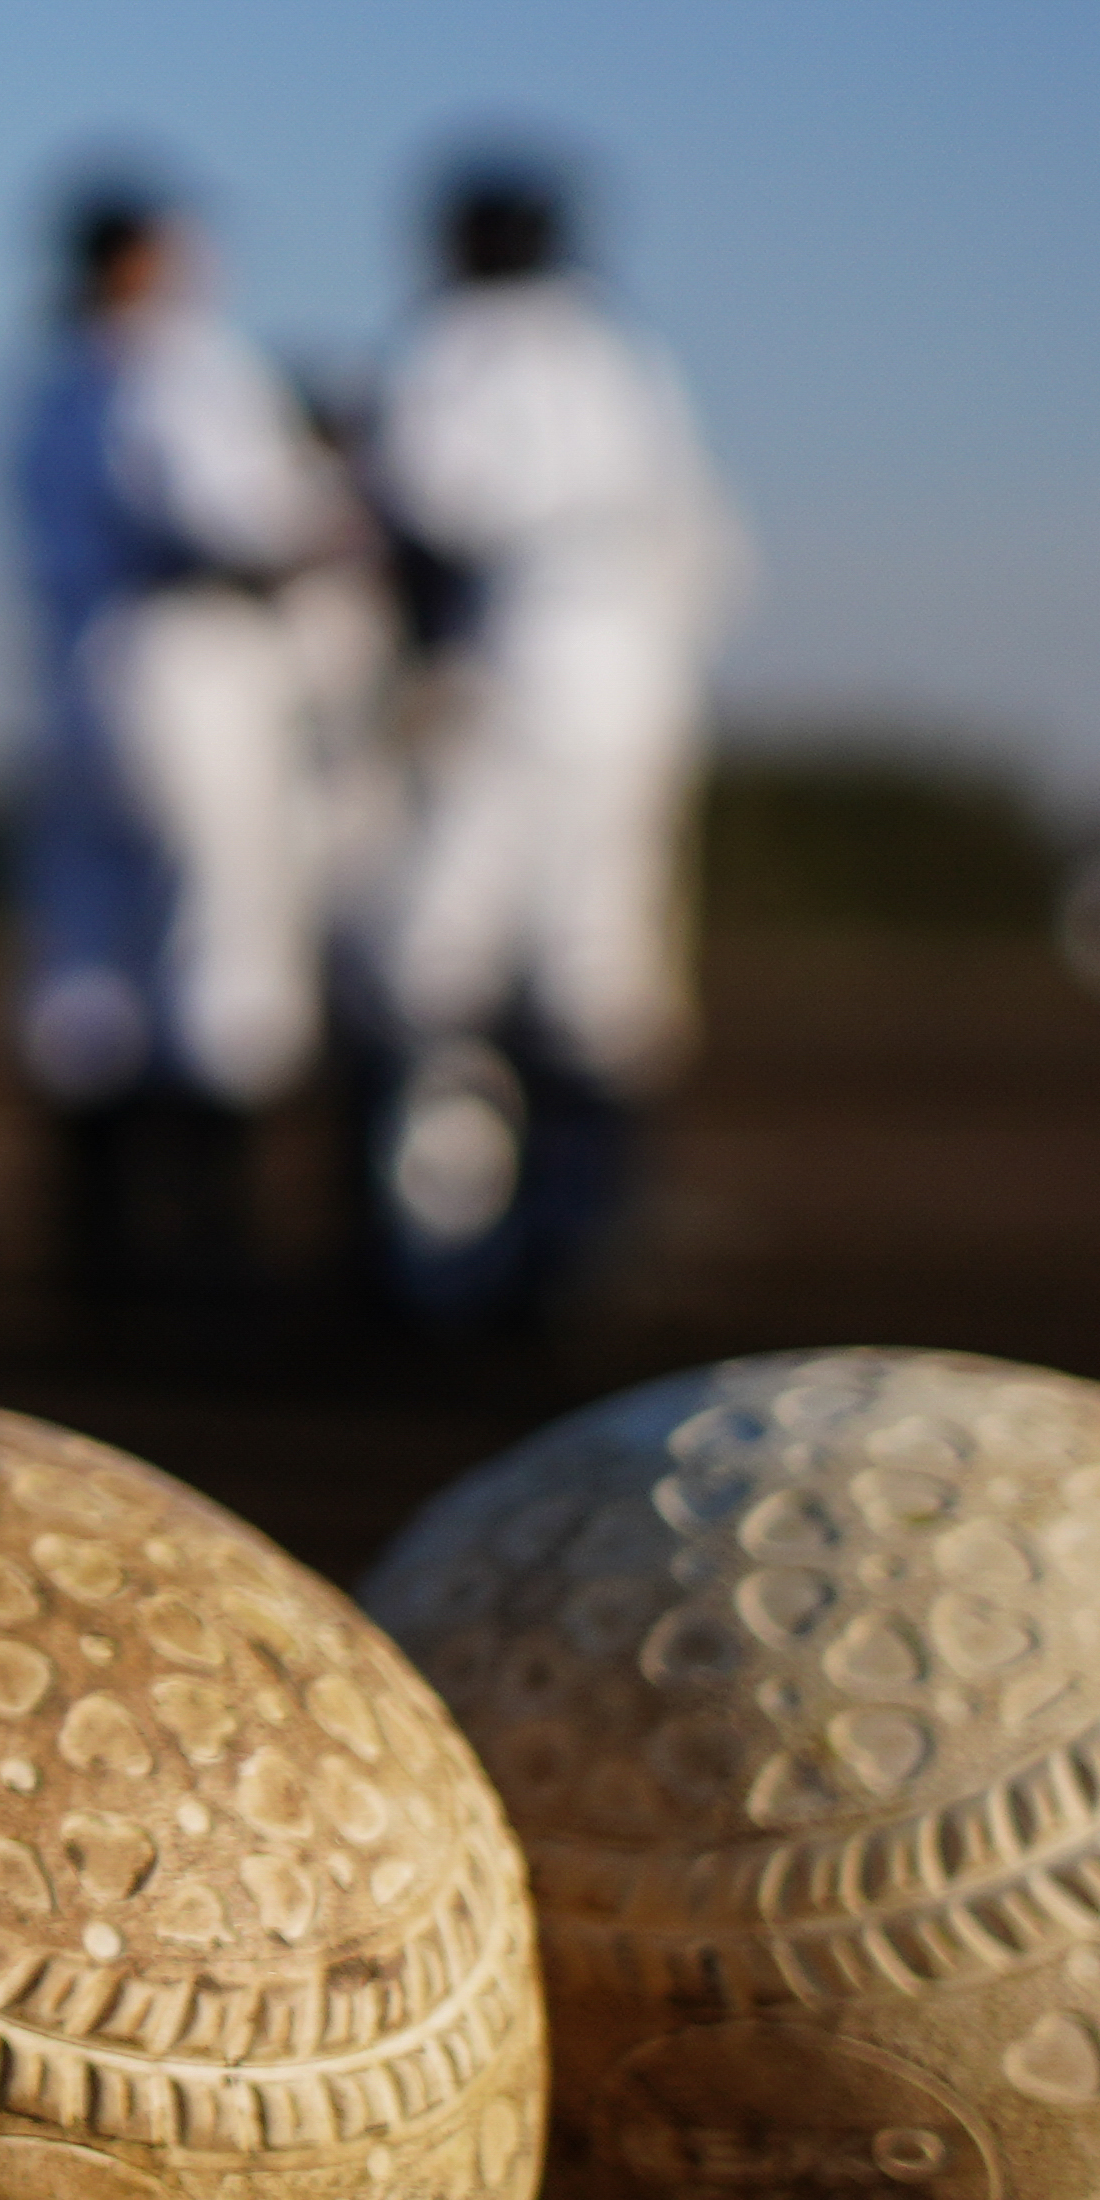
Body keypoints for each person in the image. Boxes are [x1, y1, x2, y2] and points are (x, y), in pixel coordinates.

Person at [348, 143, 740, 1337]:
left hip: (509, 668)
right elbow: (710, 546)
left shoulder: (452, 343)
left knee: (433, 964)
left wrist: (418, 665)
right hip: (640, 682)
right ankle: (584, 1243)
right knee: (596, 971)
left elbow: (421, 515)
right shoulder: (628, 356)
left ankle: (444, 1249)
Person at [0, 166, 349, 1315]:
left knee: (92, 969)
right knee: (219, 946)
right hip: (188, 673)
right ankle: (213, 1258)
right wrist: (334, 503)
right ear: (143, 258)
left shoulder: (41, 382)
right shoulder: (176, 363)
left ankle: (98, 1263)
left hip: (74, 679)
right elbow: (235, 522)